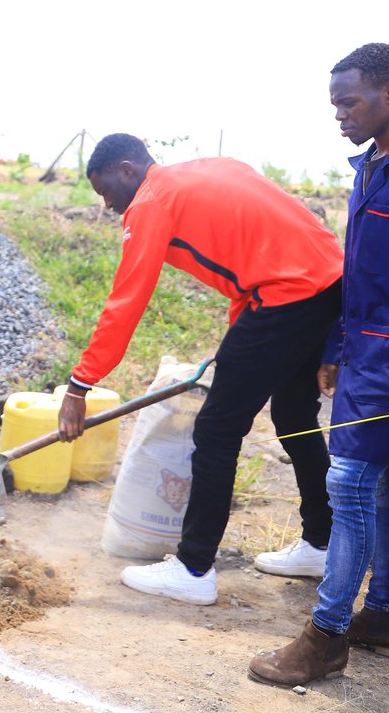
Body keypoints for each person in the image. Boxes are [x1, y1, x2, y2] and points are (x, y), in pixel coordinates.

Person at [58, 134, 344, 606]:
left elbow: (126, 301)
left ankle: (193, 568)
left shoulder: (151, 201)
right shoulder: (205, 170)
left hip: (288, 293)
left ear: (128, 169)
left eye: (105, 191)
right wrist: (236, 340)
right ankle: (321, 543)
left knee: (216, 429)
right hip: (325, 282)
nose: (108, 206)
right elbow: (250, 260)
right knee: (294, 417)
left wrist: (80, 384)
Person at [249, 43, 389, 687]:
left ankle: (325, 635)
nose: (339, 115)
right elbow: (360, 272)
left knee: (348, 482)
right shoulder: (373, 165)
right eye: (333, 105)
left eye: (348, 102)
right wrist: (333, 348)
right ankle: (384, 617)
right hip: (366, 351)